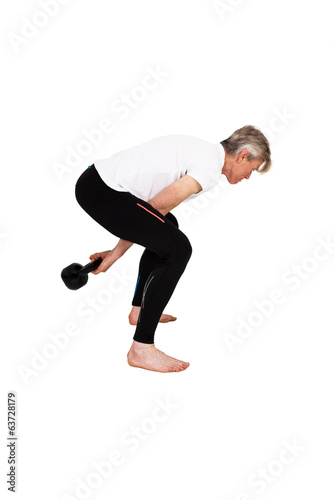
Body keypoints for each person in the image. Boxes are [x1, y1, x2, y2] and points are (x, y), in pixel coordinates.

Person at [74, 125, 271, 373]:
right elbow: (155, 207)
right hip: (102, 191)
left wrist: (116, 251)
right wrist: (115, 254)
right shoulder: (209, 167)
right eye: (251, 169)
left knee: (169, 230)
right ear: (242, 155)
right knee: (178, 249)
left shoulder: (204, 151)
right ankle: (141, 348)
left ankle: (139, 310)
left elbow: (152, 215)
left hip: (96, 183)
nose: (247, 177)